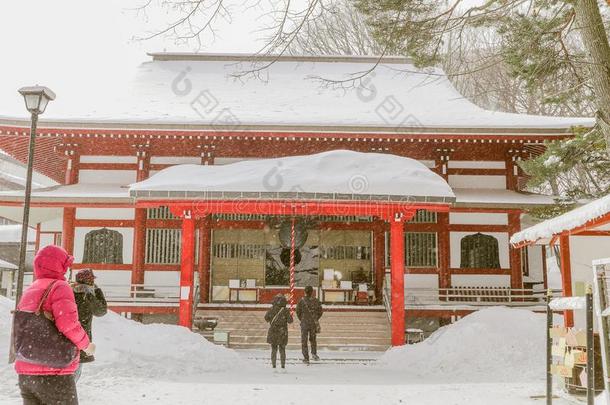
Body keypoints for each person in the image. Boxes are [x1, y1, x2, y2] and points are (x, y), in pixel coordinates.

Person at [14, 245, 95, 405]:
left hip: (26, 371)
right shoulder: (59, 287)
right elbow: (68, 324)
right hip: (53, 372)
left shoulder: (31, 288)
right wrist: (86, 346)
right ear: (60, 266)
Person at [72, 268, 107, 382]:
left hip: (67, 335)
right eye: (91, 280)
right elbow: (101, 311)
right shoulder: (86, 295)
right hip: (81, 337)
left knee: (71, 369)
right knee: (74, 370)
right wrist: (95, 293)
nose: (93, 283)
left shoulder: (69, 291)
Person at [264, 294, 293, 370]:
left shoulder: (271, 309)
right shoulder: (285, 310)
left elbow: (266, 318)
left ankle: (274, 365)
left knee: (274, 349)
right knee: (282, 349)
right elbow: (290, 321)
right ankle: (283, 365)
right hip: (282, 332)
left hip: (273, 331)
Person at [296, 286, 323, 364]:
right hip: (313, 324)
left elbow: (298, 311)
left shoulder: (301, 301)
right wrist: (316, 318)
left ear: (305, 292)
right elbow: (320, 311)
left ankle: (306, 358)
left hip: (304, 323)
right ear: (312, 292)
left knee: (304, 341)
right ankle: (314, 354)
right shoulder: (316, 301)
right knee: (313, 339)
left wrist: (302, 319)